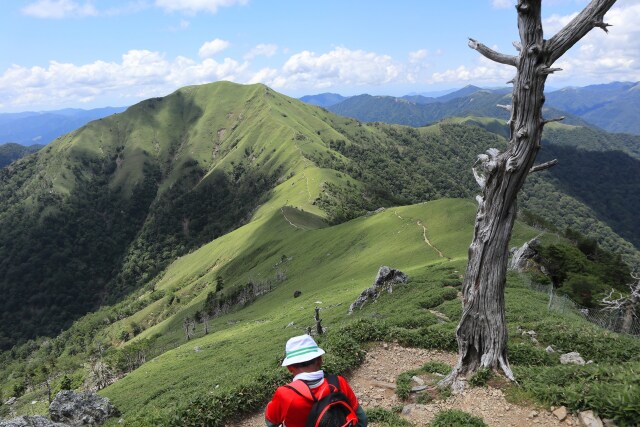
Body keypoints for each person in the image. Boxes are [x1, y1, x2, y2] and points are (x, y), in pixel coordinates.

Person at [265, 334, 367, 427]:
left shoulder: (284, 394)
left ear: (289, 368)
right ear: (320, 360)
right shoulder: (339, 382)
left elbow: (271, 422)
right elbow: (362, 419)